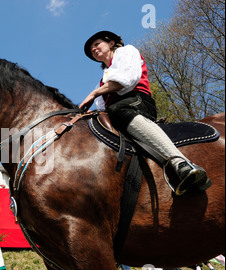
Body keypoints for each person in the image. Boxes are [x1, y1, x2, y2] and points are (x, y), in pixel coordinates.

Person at [79, 31, 212, 196]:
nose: (93, 49)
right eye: (91, 49)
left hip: (138, 102)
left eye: (96, 44)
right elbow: (100, 109)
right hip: (119, 113)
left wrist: (93, 94)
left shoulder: (126, 51)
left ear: (111, 43)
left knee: (117, 109)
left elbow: (125, 80)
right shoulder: (103, 79)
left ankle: (182, 164)